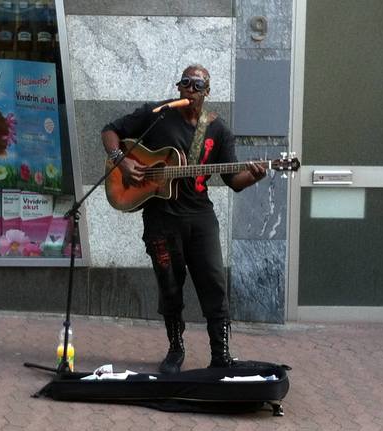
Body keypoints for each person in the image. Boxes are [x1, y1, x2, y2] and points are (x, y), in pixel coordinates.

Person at [101, 64, 267, 374]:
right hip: (161, 220)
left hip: (200, 219)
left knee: (214, 285)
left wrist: (255, 175)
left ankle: (221, 355)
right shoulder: (157, 115)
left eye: (197, 86)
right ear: (178, 87)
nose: (190, 90)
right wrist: (121, 162)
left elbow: (234, 181)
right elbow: (110, 131)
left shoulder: (218, 130)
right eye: (185, 84)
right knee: (169, 286)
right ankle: (175, 350)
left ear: (207, 92)